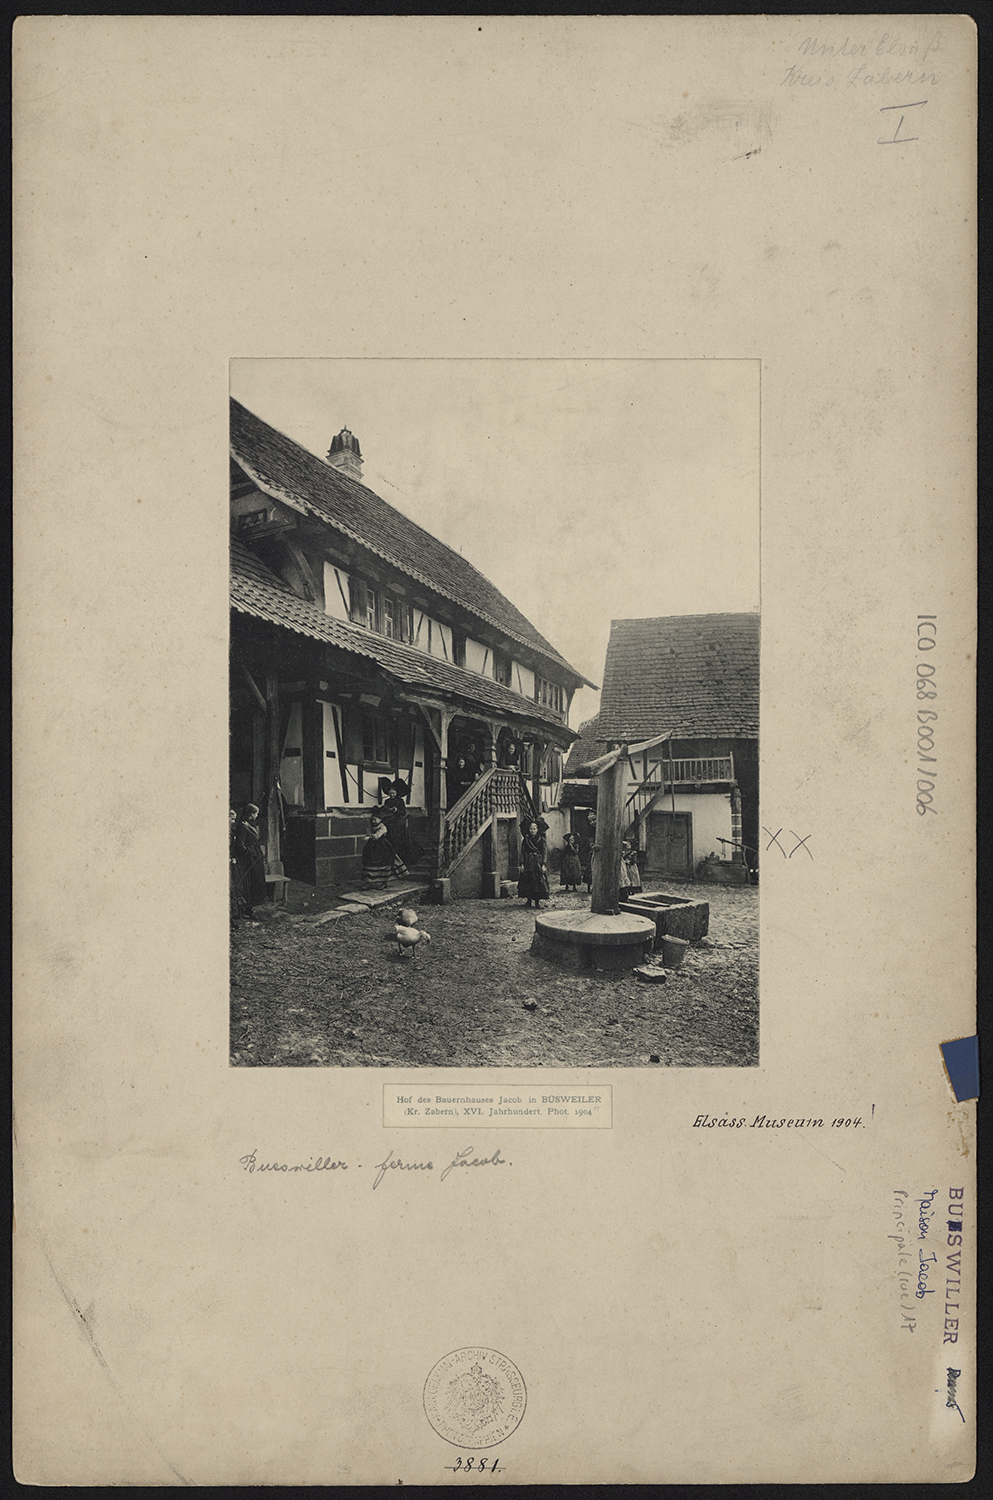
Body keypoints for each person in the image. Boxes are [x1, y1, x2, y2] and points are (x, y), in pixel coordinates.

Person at [234, 804, 267, 917]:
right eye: (255, 813)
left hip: (255, 860)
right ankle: (246, 909)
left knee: (255, 883)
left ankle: (250, 908)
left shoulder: (249, 825)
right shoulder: (243, 827)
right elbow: (240, 845)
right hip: (249, 861)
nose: (257, 815)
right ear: (249, 814)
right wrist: (250, 854)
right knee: (249, 884)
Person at [362, 816, 408, 887]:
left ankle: (383, 882)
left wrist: (369, 837)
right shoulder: (372, 826)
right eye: (372, 820)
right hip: (372, 847)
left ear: (380, 819)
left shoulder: (383, 827)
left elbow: (377, 835)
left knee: (384, 863)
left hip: (382, 846)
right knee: (369, 862)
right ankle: (367, 882)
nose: (373, 821)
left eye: (375, 819)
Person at [518, 817, 550, 909]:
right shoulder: (525, 840)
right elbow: (522, 852)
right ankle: (528, 900)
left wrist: (544, 864)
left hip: (537, 862)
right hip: (528, 861)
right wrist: (522, 864)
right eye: (531, 829)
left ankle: (537, 902)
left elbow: (545, 852)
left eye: (534, 829)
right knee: (527, 881)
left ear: (537, 829)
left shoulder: (541, 839)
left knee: (538, 881)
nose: (532, 830)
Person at [581, 811, 597, 893]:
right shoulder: (591, 830)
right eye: (590, 821)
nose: (592, 822)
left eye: (594, 820)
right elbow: (590, 839)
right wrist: (591, 844)